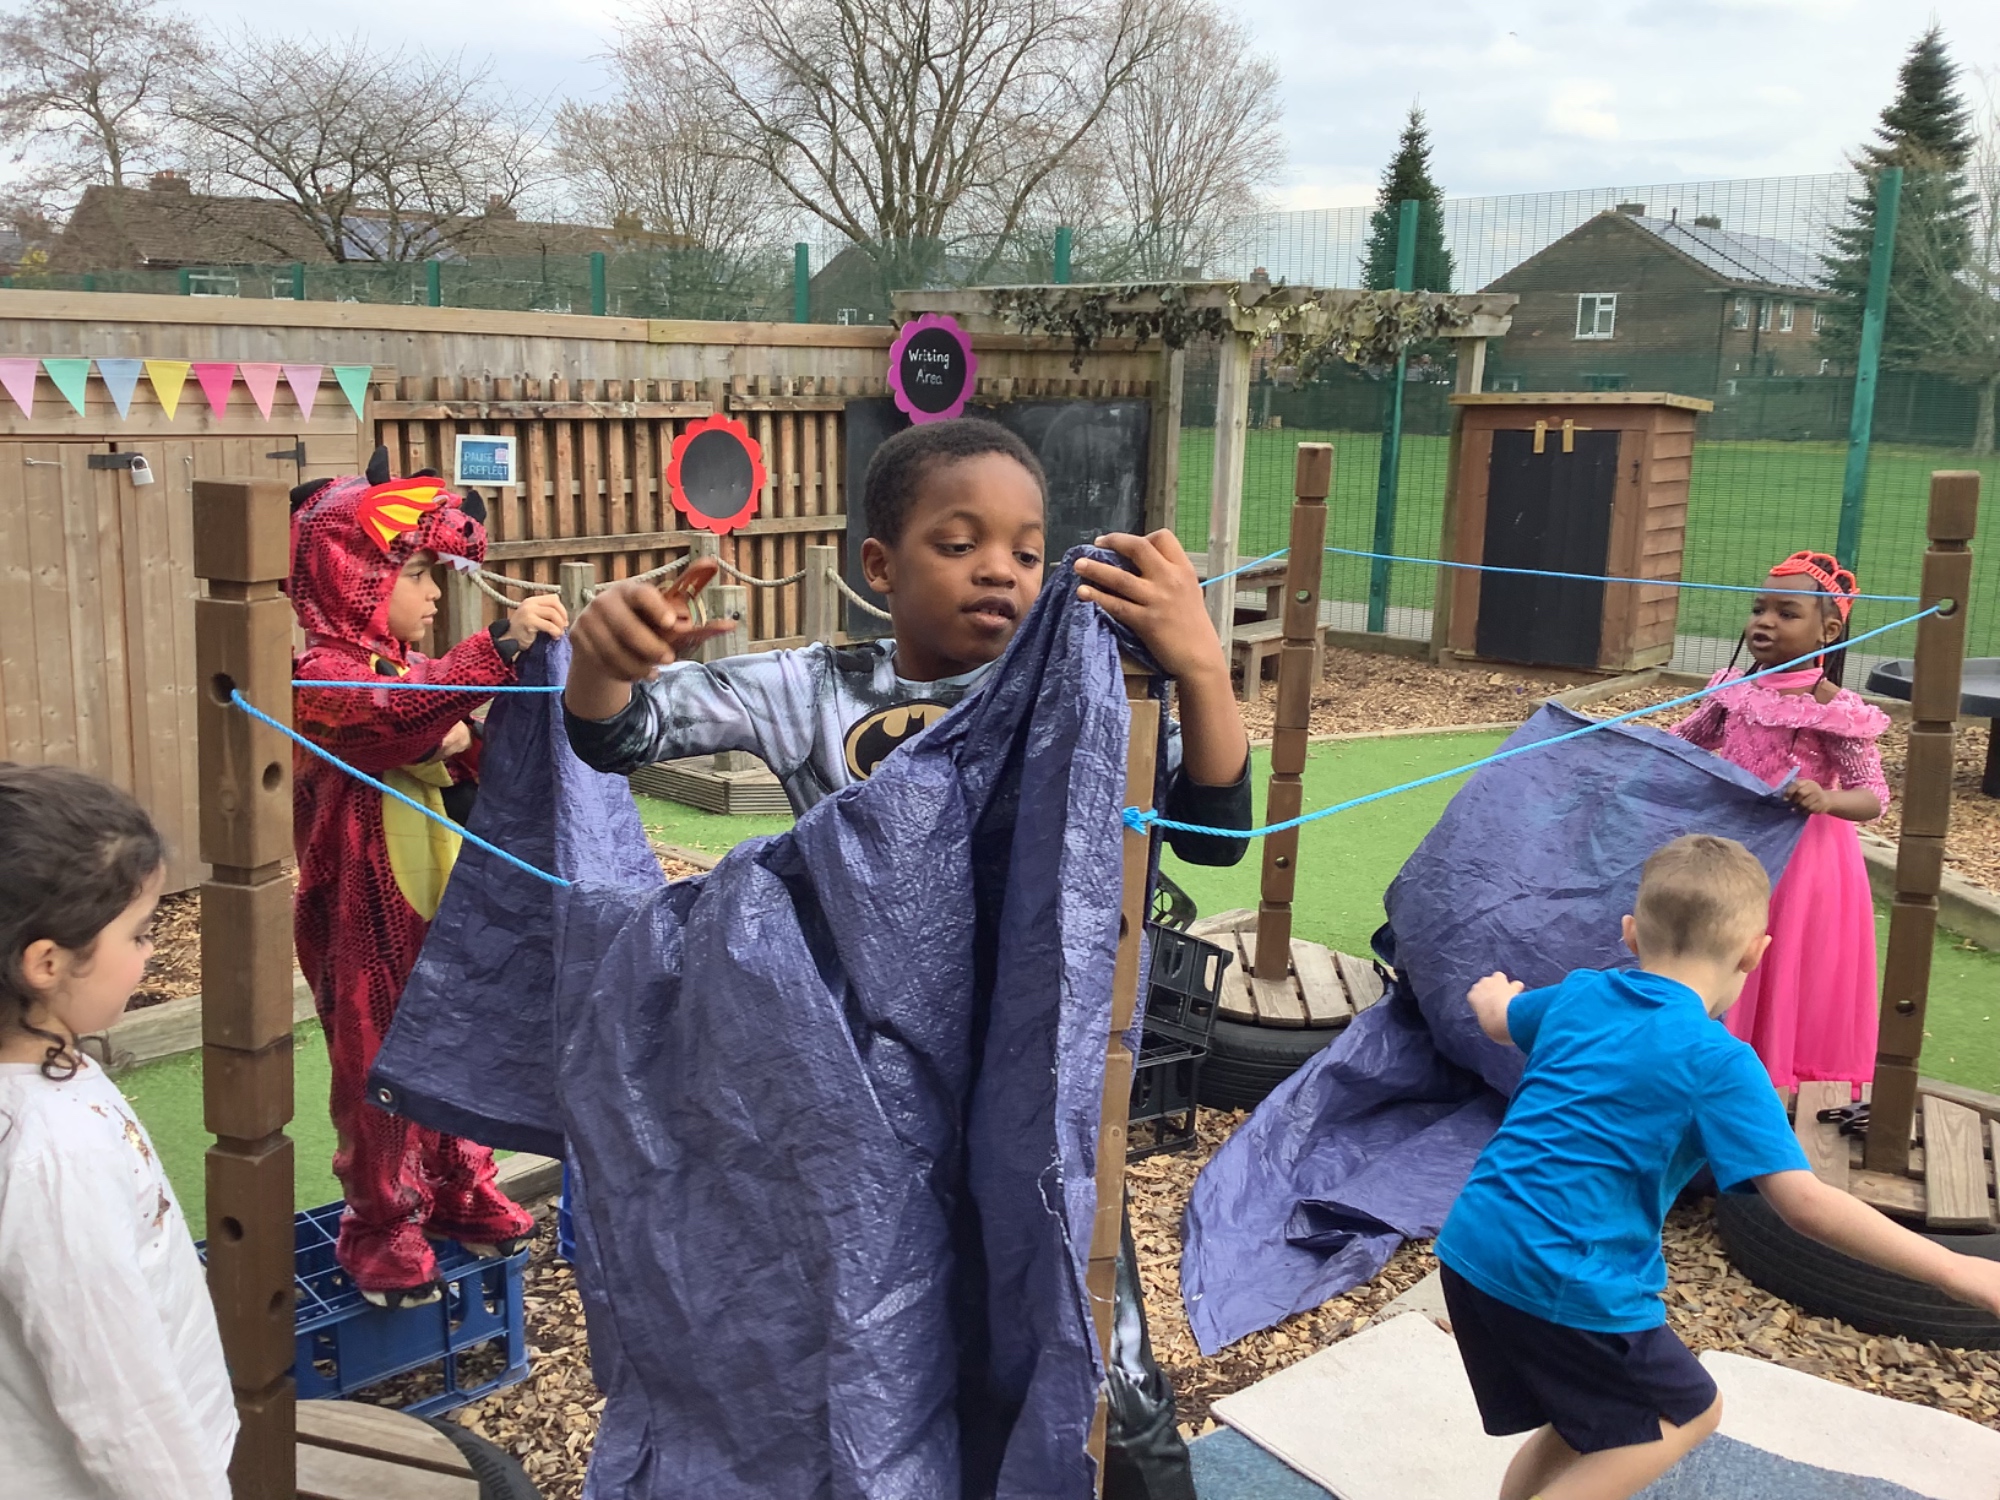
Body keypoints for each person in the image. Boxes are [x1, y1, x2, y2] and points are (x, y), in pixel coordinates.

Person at [563, 416, 1253, 1500]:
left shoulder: (1077, 692)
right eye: (959, 543)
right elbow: (617, 733)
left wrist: (1199, 664)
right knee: (897, 1340)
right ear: (879, 566)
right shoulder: (814, 689)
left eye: (1028, 551)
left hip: (1042, 1078)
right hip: (868, 1099)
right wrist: (600, 664)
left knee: (1095, 1357)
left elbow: (1215, 831)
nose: (1000, 570)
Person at [1434, 834, 2000, 1500]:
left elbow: (1501, 1021)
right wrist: (1955, 1268)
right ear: (1756, 952)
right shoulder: (1719, 1062)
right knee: (1687, 1413)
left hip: (1472, 1243)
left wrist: (1492, 997)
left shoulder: (1580, 996)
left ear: (1630, 934)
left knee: (1591, 1420)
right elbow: (1805, 1205)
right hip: (1565, 1273)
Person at [289, 456, 568, 1305]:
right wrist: (494, 651)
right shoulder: (323, 673)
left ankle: (457, 1184)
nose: (433, 592)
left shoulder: (407, 664)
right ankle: (382, 1223)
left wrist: (467, 723)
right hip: (361, 910)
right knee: (374, 1058)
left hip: (437, 893)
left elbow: (441, 728)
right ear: (356, 577)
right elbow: (389, 718)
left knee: (456, 1032)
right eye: (414, 572)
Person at [0, 764, 236, 1500]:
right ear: (46, 963)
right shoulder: (52, 1157)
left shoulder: (47, 1071)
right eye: (138, 934)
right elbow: (120, 1403)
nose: (151, 952)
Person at [1669, 551, 1889, 1091]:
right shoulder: (1733, 691)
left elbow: (1873, 796)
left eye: (1786, 613)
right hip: (1730, 844)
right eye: (1758, 609)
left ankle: (1773, 1078)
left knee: (1779, 956)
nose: (1764, 622)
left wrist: (1827, 799)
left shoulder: (1834, 710)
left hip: (1802, 860)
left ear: (1828, 631)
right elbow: (1680, 743)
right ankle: (1708, 1066)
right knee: (1720, 944)